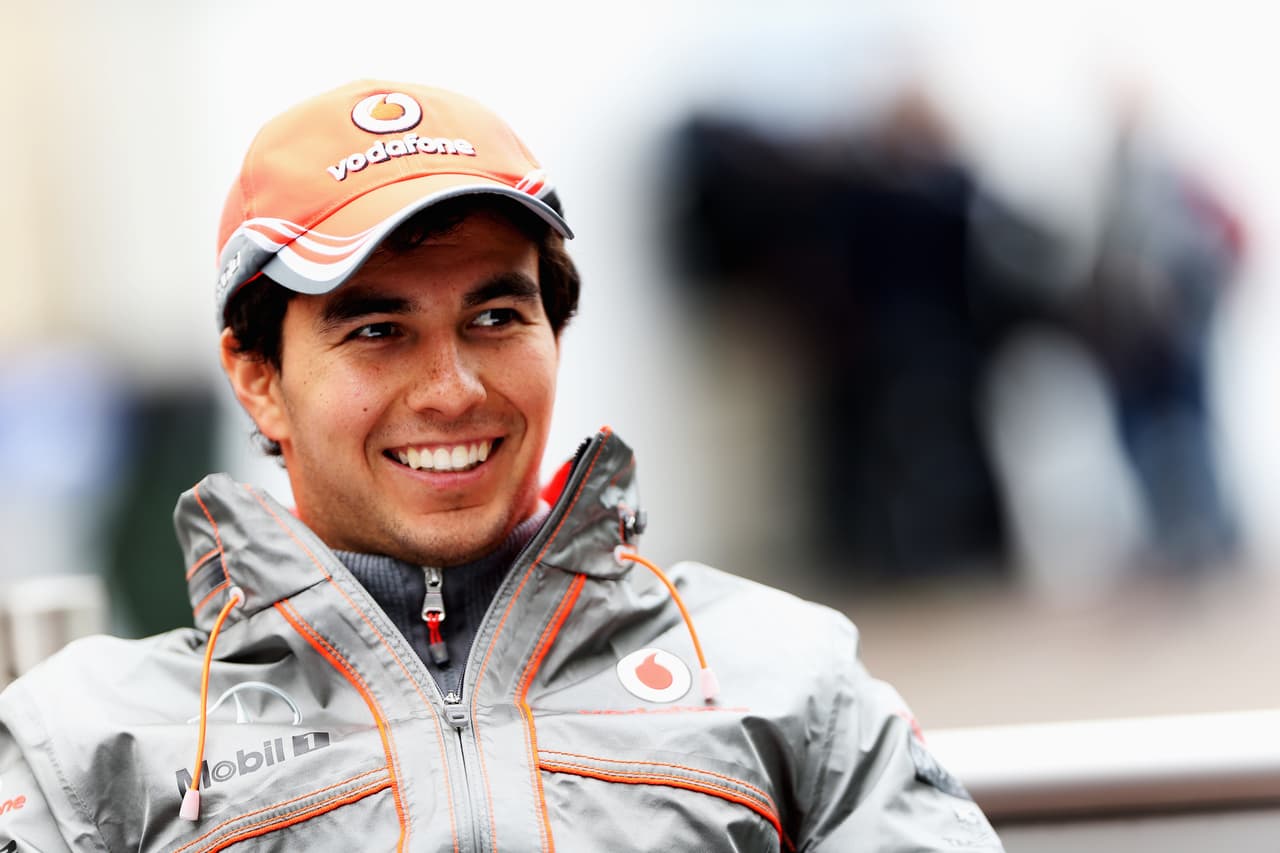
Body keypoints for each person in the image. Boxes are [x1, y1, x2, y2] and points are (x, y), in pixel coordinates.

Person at [0, 80, 1003, 851]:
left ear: (554, 332)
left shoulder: (783, 671)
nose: (452, 389)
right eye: (378, 329)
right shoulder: (86, 744)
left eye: (494, 316)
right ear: (258, 377)